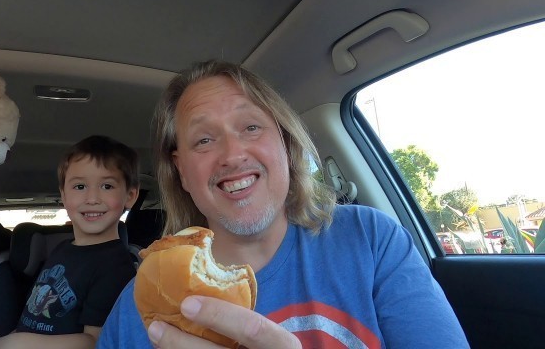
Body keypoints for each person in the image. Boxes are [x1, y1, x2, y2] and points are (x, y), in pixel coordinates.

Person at [96, 61, 470, 348]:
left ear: (285, 144)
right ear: (180, 170)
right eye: (204, 140)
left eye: (251, 127)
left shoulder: (370, 239)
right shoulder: (143, 303)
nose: (233, 154)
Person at [0, 135, 139, 349]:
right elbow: (34, 318)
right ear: (63, 195)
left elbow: (95, 341)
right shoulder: (63, 250)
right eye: (80, 187)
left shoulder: (117, 267)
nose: (92, 198)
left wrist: (13, 344)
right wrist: (1, 341)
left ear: (130, 196)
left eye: (107, 186)